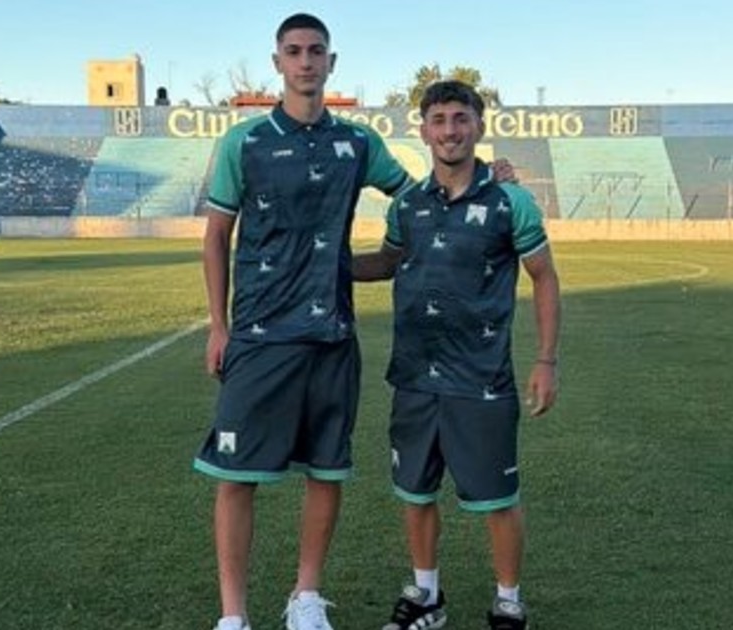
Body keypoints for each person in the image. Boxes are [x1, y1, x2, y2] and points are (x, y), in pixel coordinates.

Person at [193, 14, 516, 630]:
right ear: (278, 62)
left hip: (332, 335)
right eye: (294, 51)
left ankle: (306, 597)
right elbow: (216, 237)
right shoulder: (244, 142)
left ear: (331, 62)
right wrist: (218, 324)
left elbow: (423, 194)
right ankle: (233, 616)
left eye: (316, 51)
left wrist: (485, 177)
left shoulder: (358, 143)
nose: (305, 62)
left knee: (326, 470)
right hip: (259, 333)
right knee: (235, 476)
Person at [353, 80, 561, 630]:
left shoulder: (510, 201)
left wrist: (546, 360)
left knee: (498, 499)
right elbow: (387, 262)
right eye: (439, 120)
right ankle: (426, 595)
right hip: (415, 378)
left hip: (482, 379)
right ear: (423, 131)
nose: (450, 130)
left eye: (461, 118)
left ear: (479, 126)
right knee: (415, 492)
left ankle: (508, 602)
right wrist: (331, 265)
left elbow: (543, 277)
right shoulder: (406, 206)